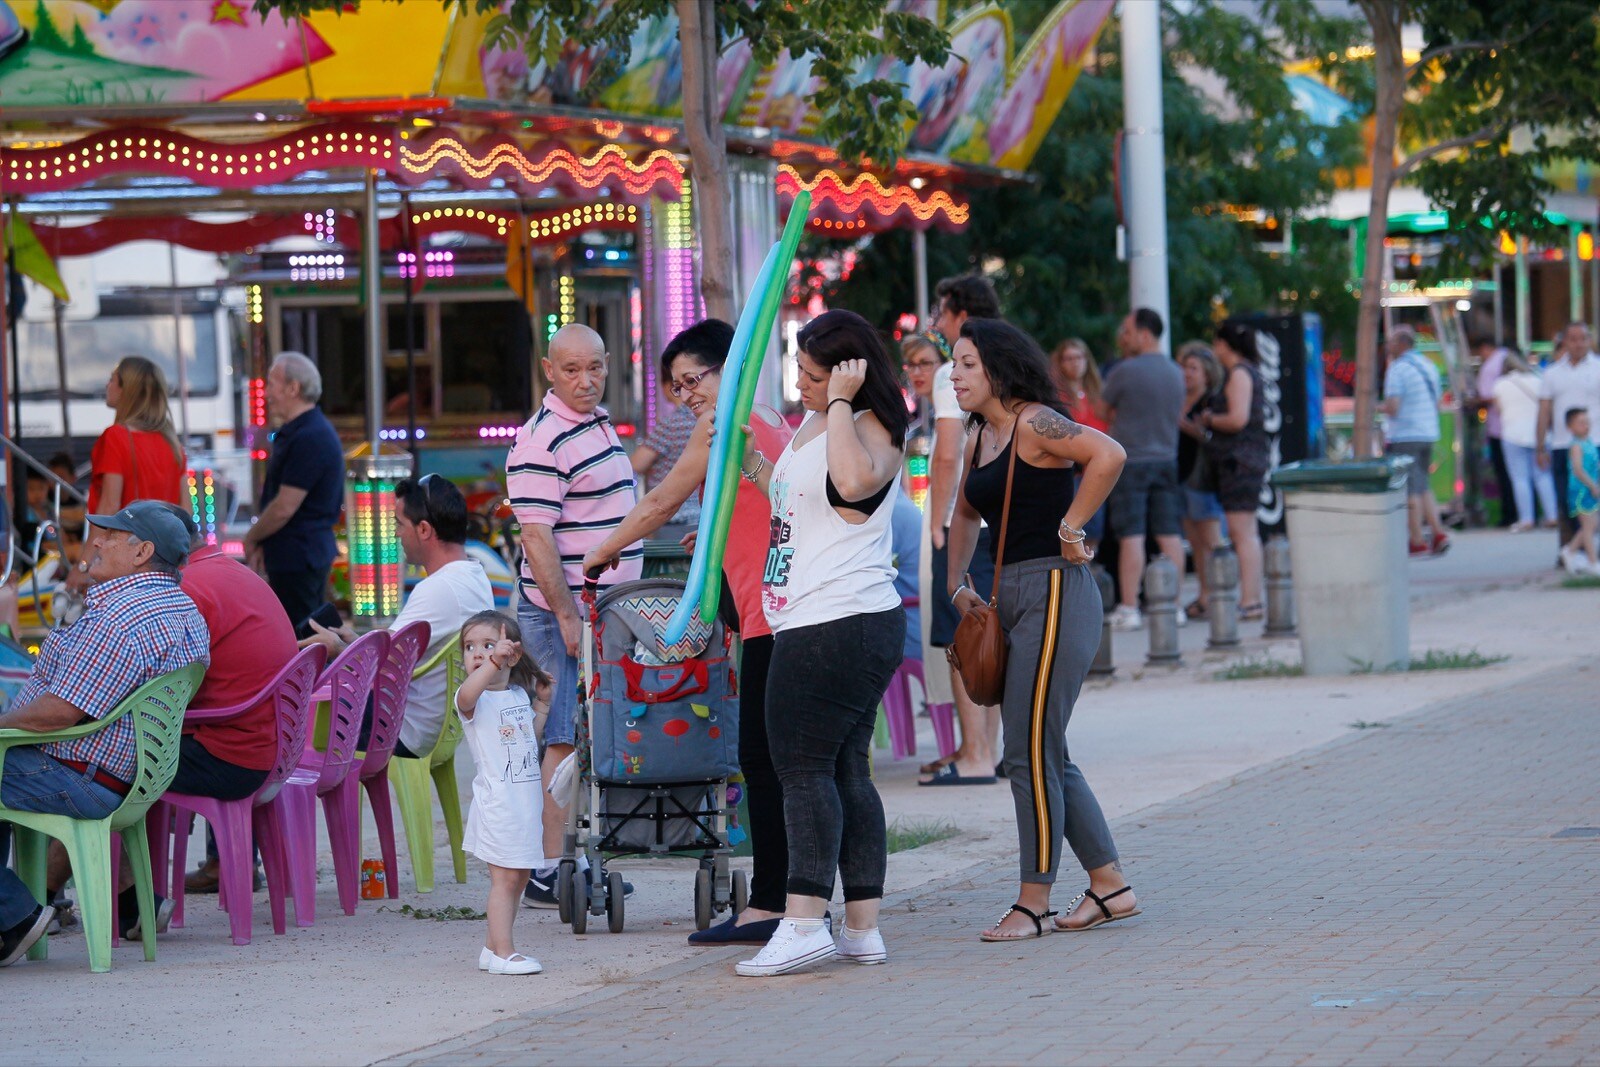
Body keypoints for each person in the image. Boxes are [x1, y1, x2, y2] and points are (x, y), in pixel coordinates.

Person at [580, 319, 793, 945]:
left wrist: (601, 552)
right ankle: (785, 900)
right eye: (676, 388)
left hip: (768, 616)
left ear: (730, 365)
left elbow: (660, 503)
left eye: (693, 379)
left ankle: (774, 906)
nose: (687, 395)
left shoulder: (722, 424)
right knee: (776, 762)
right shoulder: (772, 419)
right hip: (773, 608)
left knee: (762, 761)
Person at [945, 318, 1136, 941]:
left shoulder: (1033, 422)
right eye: (954, 362)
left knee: (1025, 754)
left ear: (997, 366)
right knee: (1043, 750)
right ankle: (1110, 886)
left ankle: (1033, 901)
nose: (955, 373)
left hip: (1057, 587)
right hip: (1010, 596)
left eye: (967, 362)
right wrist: (956, 585)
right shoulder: (980, 437)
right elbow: (964, 513)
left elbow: (1108, 455)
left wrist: (1072, 527)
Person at [735, 308, 907, 977]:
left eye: (814, 373)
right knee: (840, 770)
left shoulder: (872, 424)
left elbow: (851, 491)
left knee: (800, 768)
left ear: (850, 371)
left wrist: (838, 402)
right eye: (798, 370)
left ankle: (803, 920)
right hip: (809, 612)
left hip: (839, 617)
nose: (800, 384)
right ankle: (861, 927)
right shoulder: (817, 420)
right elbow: (797, 499)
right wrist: (745, 462)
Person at [0, 500, 209, 965]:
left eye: (110, 537)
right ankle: (13, 914)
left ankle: (13, 916)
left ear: (142, 552)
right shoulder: (184, 609)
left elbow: (59, 713)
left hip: (81, 777)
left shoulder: (118, 619)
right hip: (132, 778)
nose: (95, 541)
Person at [507, 324, 641, 909]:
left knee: (582, 737)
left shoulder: (595, 421)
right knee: (561, 738)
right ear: (548, 370)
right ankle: (546, 867)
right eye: (571, 371)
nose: (585, 381)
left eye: (595, 368)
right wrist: (566, 616)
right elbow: (537, 540)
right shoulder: (540, 441)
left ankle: (576, 859)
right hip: (560, 614)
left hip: (600, 611)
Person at [298, 474, 495, 760]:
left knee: (298, 716)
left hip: (403, 729)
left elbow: (376, 666)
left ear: (424, 529)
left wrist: (338, 649)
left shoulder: (438, 588)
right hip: (436, 726)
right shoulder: (473, 576)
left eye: (400, 525)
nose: (396, 534)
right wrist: (354, 641)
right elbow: (392, 652)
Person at [171, 516, 298, 906]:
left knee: (104, 766)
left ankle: (125, 902)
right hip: (274, 749)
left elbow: (163, 690)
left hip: (235, 757)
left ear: (148, 549)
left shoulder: (188, 588)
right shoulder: (231, 569)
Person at [923, 275, 1002, 784]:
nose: (936, 321)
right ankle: (987, 751)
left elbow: (948, 452)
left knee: (963, 638)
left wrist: (937, 521)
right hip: (1003, 516)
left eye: (941, 310)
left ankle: (974, 756)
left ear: (961, 313)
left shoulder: (958, 367)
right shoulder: (1007, 358)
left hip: (963, 520)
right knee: (994, 633)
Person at [455, 609, 551, 975]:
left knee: (520, 878)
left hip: (524, 805)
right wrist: (493, 660)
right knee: (504, 880)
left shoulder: (515, 696)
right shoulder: (473, 701)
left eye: (488, 645)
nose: (477, 653)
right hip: (499, 806)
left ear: (514, 654)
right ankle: (504, 953)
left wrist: (541, 703)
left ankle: (491, 947)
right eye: (470, 647)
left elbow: (530, 741)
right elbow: (467, 694)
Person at [242, 352, 345, 628]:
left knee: (303, 638)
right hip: (298, 554)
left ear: (293, 388)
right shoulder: (303, 431)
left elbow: (285, 506)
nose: (266, 393)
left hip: (300, 557)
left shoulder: (309, 436)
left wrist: (252, 536)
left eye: (272, 383)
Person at [1102, 308, 1186, 631]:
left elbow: (1103, 407)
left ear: (1144, 333)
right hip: (1167, 458)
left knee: (1132, 536)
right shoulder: (1175, 372)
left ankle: (1129, 606)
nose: (1124, 337)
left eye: (1127, 331)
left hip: (1131, 460)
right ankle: (1174, 605)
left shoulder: (1126, 371)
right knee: (1169, 535)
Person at [1202, 319, 1271, 620]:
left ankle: (1250, 599)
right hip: (1248, 460)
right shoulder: (1249, 371)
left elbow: (1237, 419)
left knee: (1243, 533)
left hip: (1239, 461)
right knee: (1246, 532)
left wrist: (1209, 419)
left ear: (1223, 344)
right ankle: (1251, 598)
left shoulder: (1239, 375)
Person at [1380, 327, 1450, 557]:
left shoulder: (1398, 369)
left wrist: (1370, 407)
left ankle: (1417, 539)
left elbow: (1393, 407)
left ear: (1401, 344)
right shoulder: (1428, 365)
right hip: (1428, 432)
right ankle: (1438, 533)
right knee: (1423, 486)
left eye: (1391, 342)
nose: (1387, 346)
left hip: (1405, 434)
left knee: (1410, 488)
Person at [86, 356, 186, 516]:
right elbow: (186, 510)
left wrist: (91, 542)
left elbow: (109, 507)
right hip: (166, 540)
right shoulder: (172, 442)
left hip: (126, 539)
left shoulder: (116, 437)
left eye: (112, 379)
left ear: (127, 390)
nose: (107, 385)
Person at [1536, 322, 1600, 550]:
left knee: (1591, 500)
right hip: (1563, 444)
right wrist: (1540, 445)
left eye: (1582, 338)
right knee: (1566, 501)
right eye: (1573, 339)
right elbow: (1544, 409)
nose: (1578, 344)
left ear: (1589, 340)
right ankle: (1571, 549)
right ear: (1565, 342)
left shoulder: (1597, 368)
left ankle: (1586, 551)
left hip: (1594, 445)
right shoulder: (1552, 373)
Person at [1176, 342, 1225, 620]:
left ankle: (1221, 594)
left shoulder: (1212, 402)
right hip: (1181, 475)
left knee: (1211, 540)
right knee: (1194, 541)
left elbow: (1219, 441)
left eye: (1193, 368)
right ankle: (1205, 596)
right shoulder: (1178, 398)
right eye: (1184, 367)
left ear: (1207, 373)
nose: (1187, 373)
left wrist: (1197, 432)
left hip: (1203, 479)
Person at [1490, 350, 1559, 532]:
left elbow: (1498, 409)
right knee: (1543, 475)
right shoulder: (1538, 380)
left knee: (1520, 478)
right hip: (1538, 434)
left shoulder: (1500, 384)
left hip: (1512, 434)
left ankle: (1526, 519)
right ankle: (1552, 516)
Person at [631, 386, 700, 525]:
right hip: (701, 513)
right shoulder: (709, 420)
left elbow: (636, 465)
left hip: (673, 515)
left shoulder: (671, 424)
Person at [1473, 338, 1517, 527]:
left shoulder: (1490, 367)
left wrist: (1475, 402)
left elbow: (1487, 397)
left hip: (1499, 428)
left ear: (1484, 347)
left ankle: (1510, 514)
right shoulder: (1508, 358)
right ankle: (1526, 514)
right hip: (1517, 427)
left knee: (1505, 473)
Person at [1562, 408, 1600, 574]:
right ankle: (1592, 562)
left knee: (1592, 525)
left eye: (1587, 422)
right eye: (1580, 423)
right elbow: (1578, 469)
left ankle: (1570, 551)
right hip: (1581, 491)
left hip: (1591, 489)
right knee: (1588, 526)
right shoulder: (1576, 446)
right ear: (1570, 427)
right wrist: (1592, 485)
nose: (1585, 426)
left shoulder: (1589, 443)